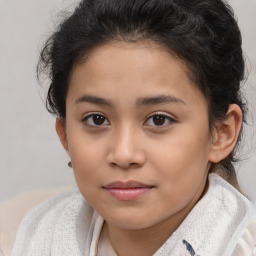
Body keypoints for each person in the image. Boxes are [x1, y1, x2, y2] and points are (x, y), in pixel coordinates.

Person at [11, 0, 256, 255]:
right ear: (65, 136)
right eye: (96, 119)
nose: (124, 154)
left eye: (159, 119)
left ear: (221, 133)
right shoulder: (32, 239)